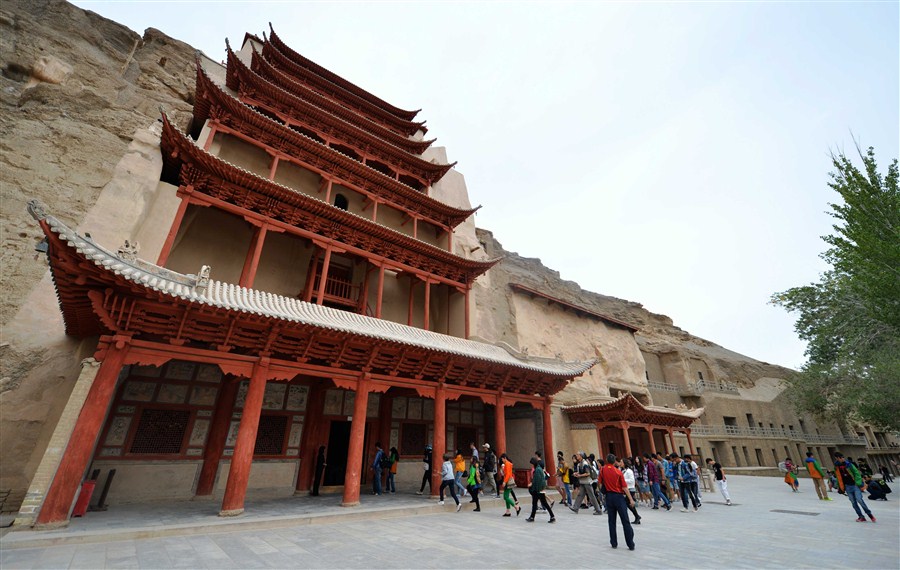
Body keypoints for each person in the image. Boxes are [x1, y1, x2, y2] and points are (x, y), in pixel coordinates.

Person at [600, 454, 635, 551]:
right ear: (615, 461)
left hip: (609, 497)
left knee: (611, 521)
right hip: (619, 497)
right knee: (625, 520)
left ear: (606, 460)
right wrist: (631, 499)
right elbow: (624, 487)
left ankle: (614, 542)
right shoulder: (618, 472)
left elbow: (600, 482)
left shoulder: (602, 470)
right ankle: (630, 544)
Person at [834, 452, 875, 522]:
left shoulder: (849, 465)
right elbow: (838, 477)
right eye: (838, 458)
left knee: (859, 500)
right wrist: (839, 487)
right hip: (847, 486)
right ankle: (861, 516)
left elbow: (857, 473)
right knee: (853, 502)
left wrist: (858, 483)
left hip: (854, 485)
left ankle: (870, 514)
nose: (841, 459)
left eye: (841, 458)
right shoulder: (837, 467)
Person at [525, 456, 556, 523]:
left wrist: (532, 485)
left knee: (541, 503)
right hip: (538, 489)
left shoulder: (538, 470)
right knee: (537, 503)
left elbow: (538, 480)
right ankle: (532, 517)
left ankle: (552, 516)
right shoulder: (538, 469)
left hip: (538, 490)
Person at [621, 458, 641, 524]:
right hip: (626, 489)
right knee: (629, 503)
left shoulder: (629, 471)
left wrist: (623, 481)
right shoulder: (624, 471)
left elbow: (632, 481)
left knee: (628, 503)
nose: (620, 463)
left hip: (630, 489)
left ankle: (637, 516)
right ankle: (637, 516)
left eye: (621, 462)